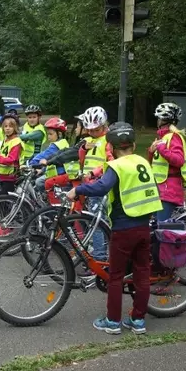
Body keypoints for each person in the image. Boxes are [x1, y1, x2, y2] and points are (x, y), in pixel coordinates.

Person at [67, 122, 162, 335]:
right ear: (134, 145)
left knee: (116, 276)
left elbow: (102, 187)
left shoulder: (117, 166)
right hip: (144, 227)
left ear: (110, 147)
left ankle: (112, 321)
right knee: (142, 274)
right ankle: (138, 320)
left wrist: (78, 190)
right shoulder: (142, 162)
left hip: (123, 228)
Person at [77, 106, 113, 268]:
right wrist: (83, 149)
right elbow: (83, 159)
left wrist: (95, 172)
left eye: (96, 129)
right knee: (99, 222)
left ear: (104, 125)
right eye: (89, 130)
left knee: (97, 223)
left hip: (100, 186)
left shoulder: (108, 140)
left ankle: (99, 258)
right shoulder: (91, 140)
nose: (92, 133)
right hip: (90, 186)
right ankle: (101, 254)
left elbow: (110, 162)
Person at [148, 102, 186, 221]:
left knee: (162, 227)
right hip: (161, 188)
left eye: (159, 118)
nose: (157, 121)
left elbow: (179, 160)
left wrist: (162, 149)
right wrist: (151, 152)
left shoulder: (174, 137)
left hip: (169, 189)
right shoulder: (163, 138)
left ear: (164, 121)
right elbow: (156, 163)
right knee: (157, 225)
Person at [28, 117, 72, 195]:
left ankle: (46, 202)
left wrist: (31, 162)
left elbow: (43, 156)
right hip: (58, 172)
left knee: (39, 182)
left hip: (59, 173)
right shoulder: (63, 142)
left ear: (60, 134)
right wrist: (43, 169)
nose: (48, 136)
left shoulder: (56, 146)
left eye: (51, 134)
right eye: (47, 134)